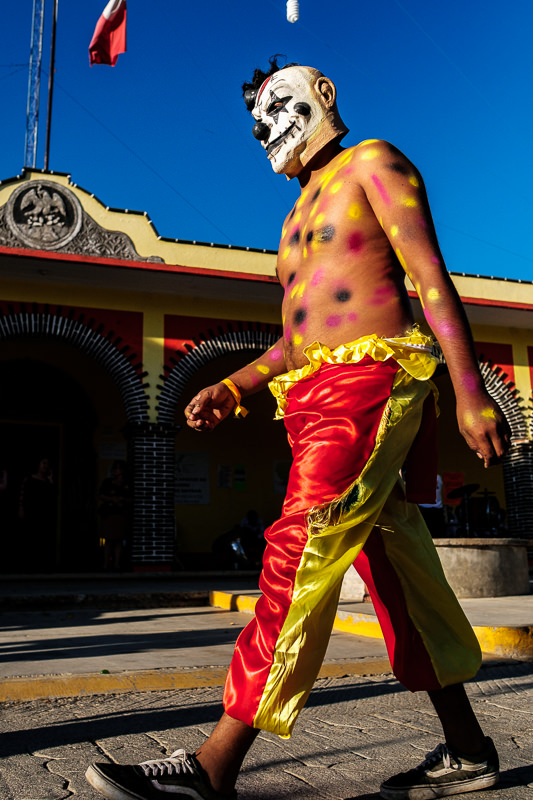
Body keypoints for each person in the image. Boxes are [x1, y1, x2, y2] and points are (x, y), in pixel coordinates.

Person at [86, 59, 510, 800]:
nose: (262, 124)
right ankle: (468, 749)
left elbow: (430, 277)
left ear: (323, 94)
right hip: (308, 398)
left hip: (370, 382)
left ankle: (213, 765)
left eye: (274, 102)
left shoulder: (372, 163)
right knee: (400, 579)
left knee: (299, 548)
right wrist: (235, 382)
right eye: (253, 118)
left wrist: (469, 389)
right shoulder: (292, 219)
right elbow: (297, 337)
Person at [98, 460, 133, 572]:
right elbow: (101, 495)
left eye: (119, 468)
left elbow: (132, 498)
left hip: (121, 514)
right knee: (107, 540)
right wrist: (112, 499)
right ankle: (105, 563)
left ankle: (117, 564)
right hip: (109, 513)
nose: (117, 471)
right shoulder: (108, 482)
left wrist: (122, 499)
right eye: (115, 468)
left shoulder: (128, 484)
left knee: (119, 540)